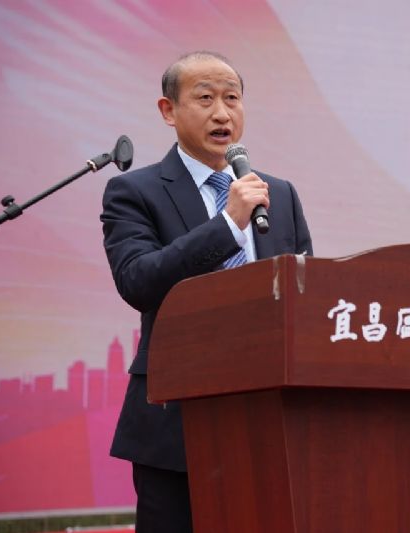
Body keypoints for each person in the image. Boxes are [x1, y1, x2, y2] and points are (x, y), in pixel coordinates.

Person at [100, 51, 313, 533]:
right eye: (205, 98)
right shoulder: (135, 191)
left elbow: (306, 292)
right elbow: (138, 281)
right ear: (169, 110)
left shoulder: (278, 194)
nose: (222, 113)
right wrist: (227, 224)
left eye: (232, 98)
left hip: (270, 418)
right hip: (177, 421)